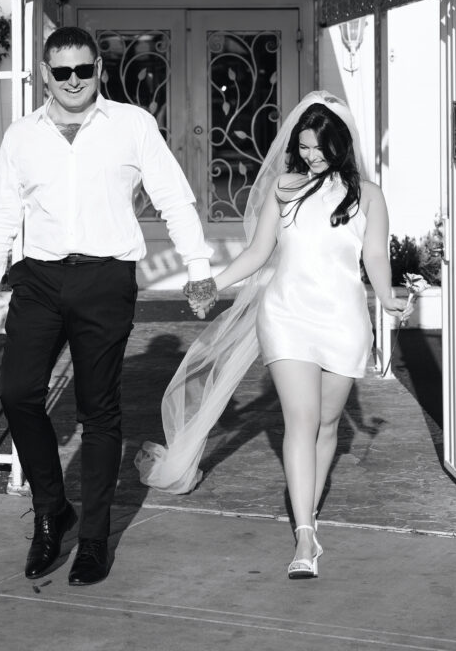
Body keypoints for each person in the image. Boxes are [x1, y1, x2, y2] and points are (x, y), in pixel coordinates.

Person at [0, 25, 215, 586]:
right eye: (62, 72)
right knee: (17, 392)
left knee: (98, 411)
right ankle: (53, 512)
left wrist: (198, 271)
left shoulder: (131, 125)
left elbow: (174, 196)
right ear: (45, 76)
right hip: (38, 279)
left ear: (99, 71)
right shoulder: (22, 136)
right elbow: (0, 217)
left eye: (84, 70)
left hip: (106, 280)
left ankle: (95, 540)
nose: (74, 80)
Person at [135, 91, 408, 579]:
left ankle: (309, 509)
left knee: (328, 424)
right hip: (287, 316)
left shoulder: (369, 194)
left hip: (344, 320)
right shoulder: (285, 188)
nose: (311, 156)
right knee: (300, 421)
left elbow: (376, 259)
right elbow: (259, 252)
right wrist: (209, 283)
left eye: (319, 147)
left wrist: (387, 299)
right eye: (303, 147)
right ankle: (305, 534)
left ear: (340, 144)